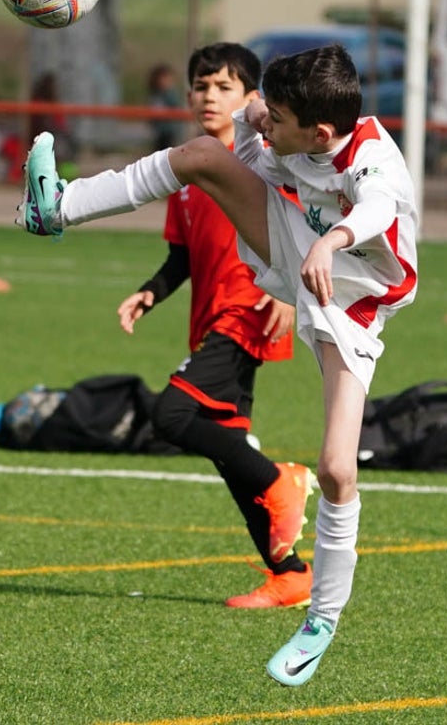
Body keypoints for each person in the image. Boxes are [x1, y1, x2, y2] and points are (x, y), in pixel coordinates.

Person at [18, 44, 418, 686]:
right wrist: (261, 113)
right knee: (204, 155)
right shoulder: (286, 128)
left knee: (339, 469)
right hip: (295, 248)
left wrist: (335, 239)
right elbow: (260, 126)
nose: (260, 123)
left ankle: (320, 621)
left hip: (356, 302)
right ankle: (56, 207)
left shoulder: (372, 160)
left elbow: (374, 212)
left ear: (318, 132)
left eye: (275, 117)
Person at [119, 42, 311, 609]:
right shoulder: (184, 171)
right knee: (232, 455)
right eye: (202, 86)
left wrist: (295, 293)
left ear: (252, 100)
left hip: (249, 310)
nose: (210, 96)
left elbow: (306, 221)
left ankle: (282, 481)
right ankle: (291, 574)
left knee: (171, 415)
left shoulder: (261, 162)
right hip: (210, 321)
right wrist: (150, 293)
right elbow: (183, 256)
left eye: (224, 87)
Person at [146, 63, 186, 151]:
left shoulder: (170, 94)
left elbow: (175, 109)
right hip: (160, 131)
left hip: (169, 132)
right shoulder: (156, 94)